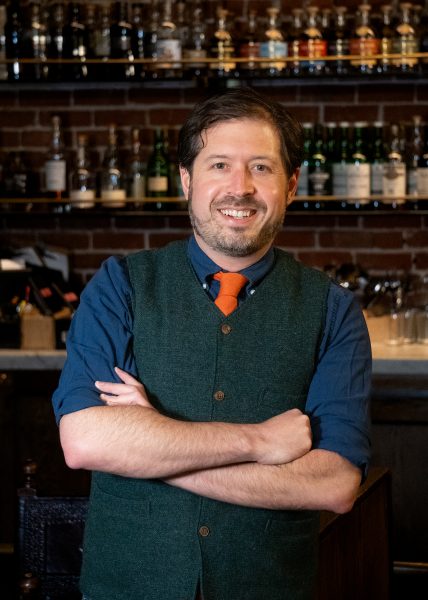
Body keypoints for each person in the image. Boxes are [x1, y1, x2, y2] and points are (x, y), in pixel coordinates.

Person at [53, 87, 371, 600]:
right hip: (128, 587)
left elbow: (332, 485)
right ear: (187, 180)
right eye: (219, 164)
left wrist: (151, 447)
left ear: (291, 186)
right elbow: (86, 442)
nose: (239, 187)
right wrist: (261, 443)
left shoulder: (333, 311)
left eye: (261, 168)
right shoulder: (120, 287)